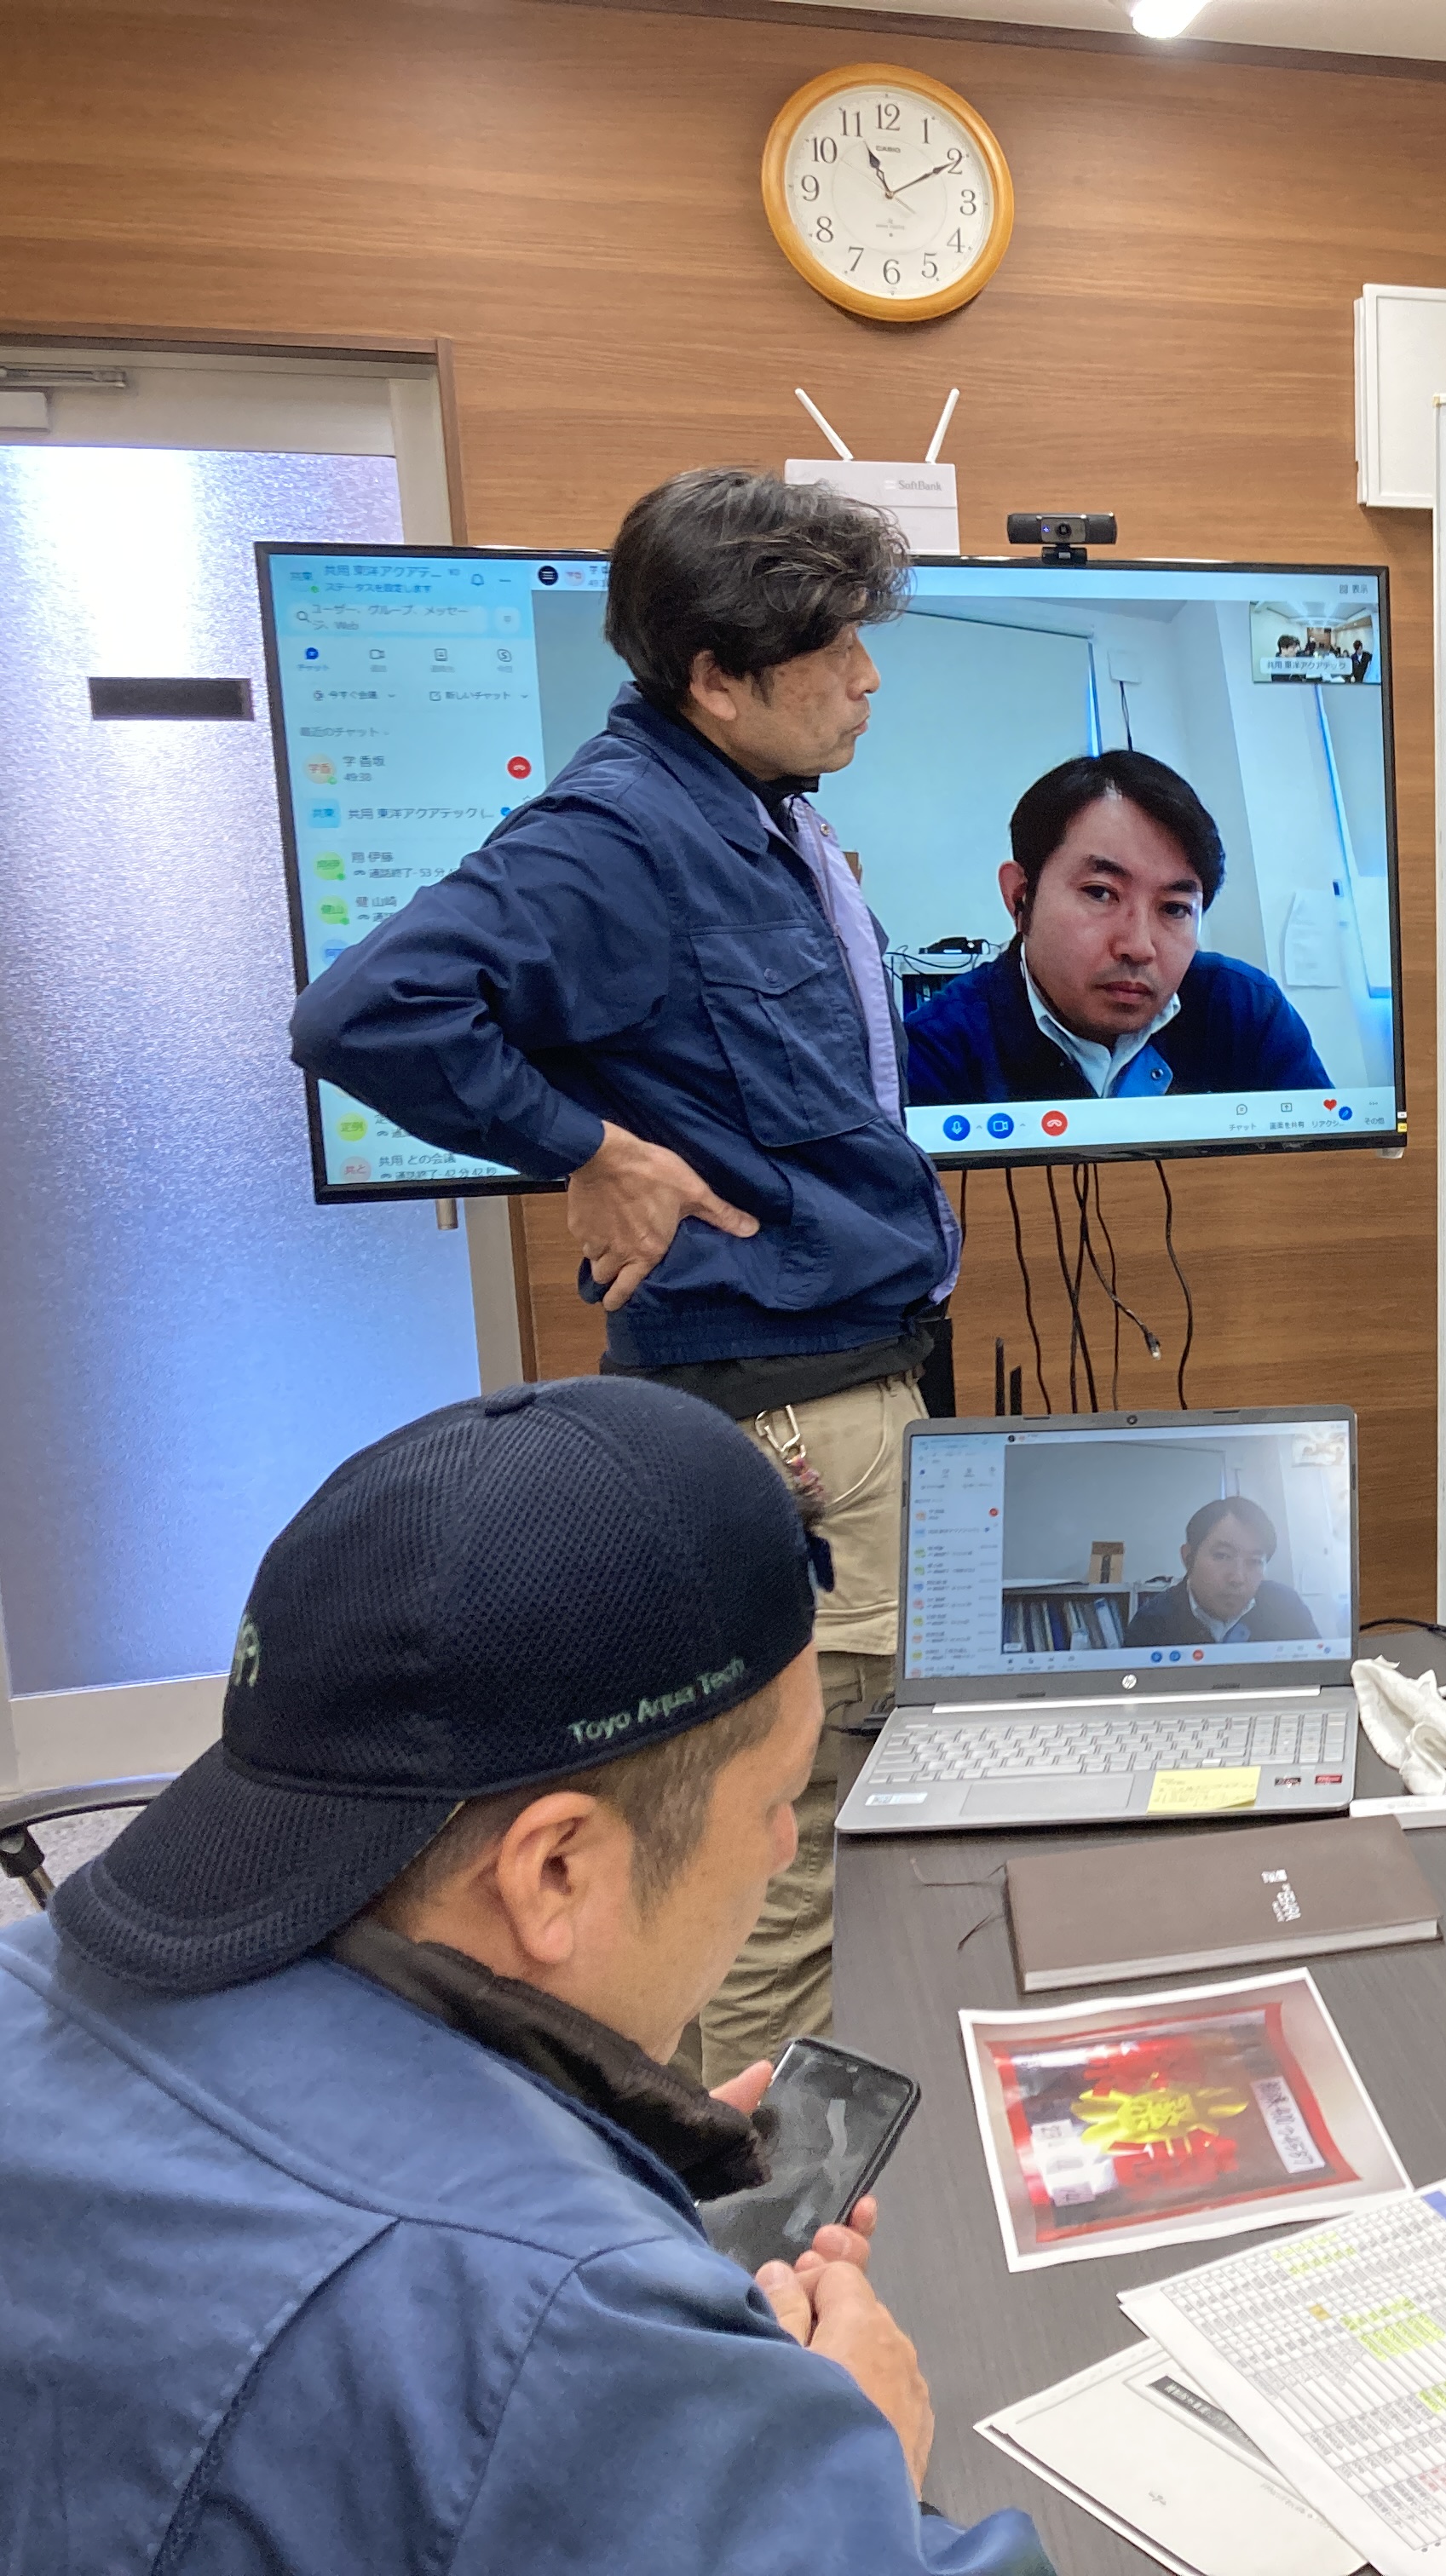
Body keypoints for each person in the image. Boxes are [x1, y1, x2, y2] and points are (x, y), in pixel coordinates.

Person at [0, 1378, 1048, 2573]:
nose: (779, 1847)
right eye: (776, 1801)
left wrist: (591, 2175)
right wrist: (857, 2456)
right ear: (553, 1870)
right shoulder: (579, 2334)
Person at [289, 466, 958, 2089]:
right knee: (781, 1852)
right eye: (836, 651)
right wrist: (582, 1142)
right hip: (782, 1406)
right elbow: (364, 1013)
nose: (870, 677)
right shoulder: (622, 832)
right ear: (717, 675)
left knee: (807, 1833)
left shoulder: (766, 808)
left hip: (835, 1375)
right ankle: (772, 2236)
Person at [902, 750, 1330, 1107]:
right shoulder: (934, 1057)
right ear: (1020, 897)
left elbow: (1332, 1178)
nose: (1139, 946)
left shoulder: (1244, 1012)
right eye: (1101, 893)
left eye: (1175, 908)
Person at [1128, 1493, 1320, 1647]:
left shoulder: (1287, 1607)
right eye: (1222, 1556)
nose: (1237, 1578)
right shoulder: (1151, 1622)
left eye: (1254, 1561)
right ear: (1188, 1558)